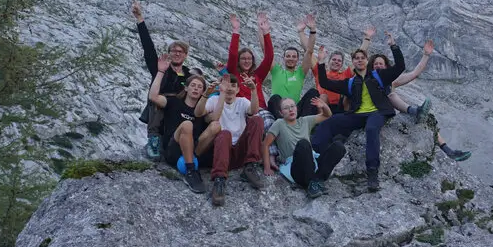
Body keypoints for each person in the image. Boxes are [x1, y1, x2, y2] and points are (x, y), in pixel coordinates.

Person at [311, 33, 407, 192]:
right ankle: (314, 155)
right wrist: (321, 62)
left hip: (378, 113)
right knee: (328, 123)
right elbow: (324, 82)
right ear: (353, 62)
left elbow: (400, 66)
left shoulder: (379, 76)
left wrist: (393, 46)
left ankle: (372, 172)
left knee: (371, 129)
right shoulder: (350, 82)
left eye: (362, 57)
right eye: (356, 58)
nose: (360, 60)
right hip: (357, 115)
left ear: (367, 60)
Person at [385, 39, 472, 161]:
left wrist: (426, 55)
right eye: (376, 64)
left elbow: (414, 73)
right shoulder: (370, 81)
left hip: (391, 114)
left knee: (426, 117)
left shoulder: (391, 82)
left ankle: (448, 151)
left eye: (381, 65)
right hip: (380, 115)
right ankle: (415, 111)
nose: (379, 67)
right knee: (393, 96)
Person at [148, 57, 220, 194]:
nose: (196, 89)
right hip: (173, 149)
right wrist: (160, 72)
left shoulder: (202, 110)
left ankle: (192, 163)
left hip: (195, 151)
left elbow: (215, 119)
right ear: (186, 87)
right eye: (193, 85)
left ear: (203, 92)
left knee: (216, 125)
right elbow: (153, 97)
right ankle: (191, 172)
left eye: (200, 87)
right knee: (187, 125)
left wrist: (221, 93)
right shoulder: (174, 102)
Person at [133, 0, 190, 159]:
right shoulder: (160, 68)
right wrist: (140, 19)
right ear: (169, 53)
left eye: (180, 51)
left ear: (185, 55)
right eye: (173, 50)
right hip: (159, 108)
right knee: (158, 102)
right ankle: (153, 141)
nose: (177, 53)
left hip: (178, 112)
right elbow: (148, 48)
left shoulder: (188, 74)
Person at [197, 73, 265, 206]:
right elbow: (199, 113)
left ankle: (250, 166)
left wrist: (253, 90)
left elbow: (254, 110)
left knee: (257, 119)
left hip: (239, 151)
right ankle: (219, 180)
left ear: (238, 89)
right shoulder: (214, 100)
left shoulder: (241, 101)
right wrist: (206, 94)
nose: (229, 88)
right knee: (224, 133)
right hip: (222, 152)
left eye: (233, 85)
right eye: (226, 84)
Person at [262, 95, 345, 198]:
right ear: (280, 112)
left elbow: (327, 115)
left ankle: (316, 180)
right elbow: (266, 144)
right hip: (295, 168)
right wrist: (267, 167)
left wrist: (323, 106)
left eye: (292, 106)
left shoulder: (304, 121)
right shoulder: (279, 124)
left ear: (296, 108)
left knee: (339, 147)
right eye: (286, 108)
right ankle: (311, 183)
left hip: (312, 163)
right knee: (303, 144)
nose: (290, 109)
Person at [267, 14, 323, 120]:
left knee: (313, 92)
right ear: (283, 58)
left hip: (296, 111)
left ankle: (304, 124)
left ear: (297, 59)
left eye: (294, 56)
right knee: (275, 98)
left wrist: (312, 30)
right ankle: (283, 123)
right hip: (279, 112)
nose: (291, 58)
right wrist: (264, 32)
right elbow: (266, 52)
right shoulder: (276, 71)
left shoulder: (300, 73)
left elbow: (309, 51)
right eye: (288, 56)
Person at [314, 26, 374, 109]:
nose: (336, 62)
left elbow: (358, 56)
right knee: (322, 96)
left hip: (339, 106)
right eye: (334, 59)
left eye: (339, 61)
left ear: (342, 64)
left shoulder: (345, 74)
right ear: (329, 61)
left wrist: (367, 38)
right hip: (323, 106)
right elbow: (308, 51)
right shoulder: (320, 73)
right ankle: (321, 119)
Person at [227, 13, 274, 110]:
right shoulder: (233, 73)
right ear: (238, 61)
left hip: (260, 110)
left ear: (253, 61)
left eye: (249, 59)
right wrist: (236, 31)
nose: (246, 61)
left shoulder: (258, 75)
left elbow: (269, 57)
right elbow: (232, 55)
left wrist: (266, 32)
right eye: (243, 58)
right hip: (241, 110)